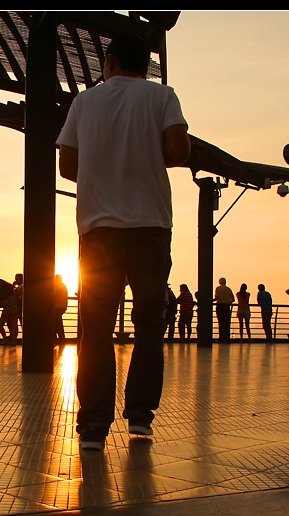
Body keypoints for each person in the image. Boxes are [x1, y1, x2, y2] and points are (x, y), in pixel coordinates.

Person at [57, 32, 190, 450]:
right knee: (149, 325)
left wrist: (104, 170)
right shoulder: (162, 96)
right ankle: (141, 418)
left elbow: (67, 166)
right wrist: (144, 157)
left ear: (109, 62)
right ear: (145, 65)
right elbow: (180, 150)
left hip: (98, 231)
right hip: (151, 227)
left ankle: (94, 426)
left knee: (94, 329)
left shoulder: (84, 102)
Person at [0, 279, 19, 345]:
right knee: (14, 325)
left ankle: (5, 339)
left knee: (0, 324)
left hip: (7, 309)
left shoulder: (2, 290)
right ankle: (14, 340)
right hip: (14, 308)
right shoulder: (11, 289)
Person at [213, 277, 235, 343]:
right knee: (226, 322)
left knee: (221, 322)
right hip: (227, 306)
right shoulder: (228, 289)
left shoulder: (218, 288)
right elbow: (233, 299)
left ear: (219, 282)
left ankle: (221, 338)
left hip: (220, 306)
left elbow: (217, 297)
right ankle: (227, 338)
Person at [54, 274, 69, 342]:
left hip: (58, 306)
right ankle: (60, 338)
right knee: (57, 322)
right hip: (61, 306)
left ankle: (59, 338)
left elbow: (55, 295)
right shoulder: (62, 286)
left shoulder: (58, 286)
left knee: (56, 322)